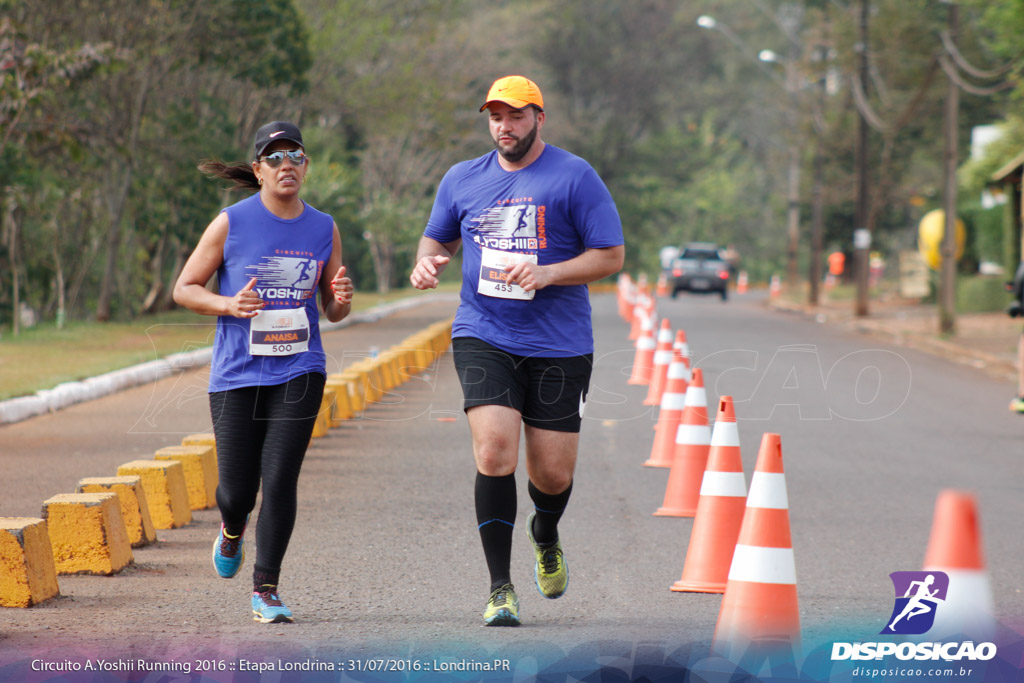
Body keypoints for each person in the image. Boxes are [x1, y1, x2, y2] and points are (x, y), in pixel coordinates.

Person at [409, 75, 625, 626]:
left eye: (516, 116)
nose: (505, 126)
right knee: (494, 452)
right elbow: (438, 237)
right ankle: (500, 588)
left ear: (539, 118)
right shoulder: (462, 179)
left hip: (559, 342)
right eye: (495, 117)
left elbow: (610, 256)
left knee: (552, 475)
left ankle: (545, 532)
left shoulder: (574, 176)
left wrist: (550, 272)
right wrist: (427, 260)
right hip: (484, 332)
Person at [173, 121, 354, 623]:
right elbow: (185, 288)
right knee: (236, 492)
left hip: (300, 369)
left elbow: (332, 309)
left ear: (306, 165)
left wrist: (340, 301)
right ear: (258, 170)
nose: (286, 165)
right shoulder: (231, 222)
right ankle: (233, 530)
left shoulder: (324, 227)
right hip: (237, 372)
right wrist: (229, 304)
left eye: (294, 155)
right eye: (274, 158)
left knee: (279, 480)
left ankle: (266, 588)